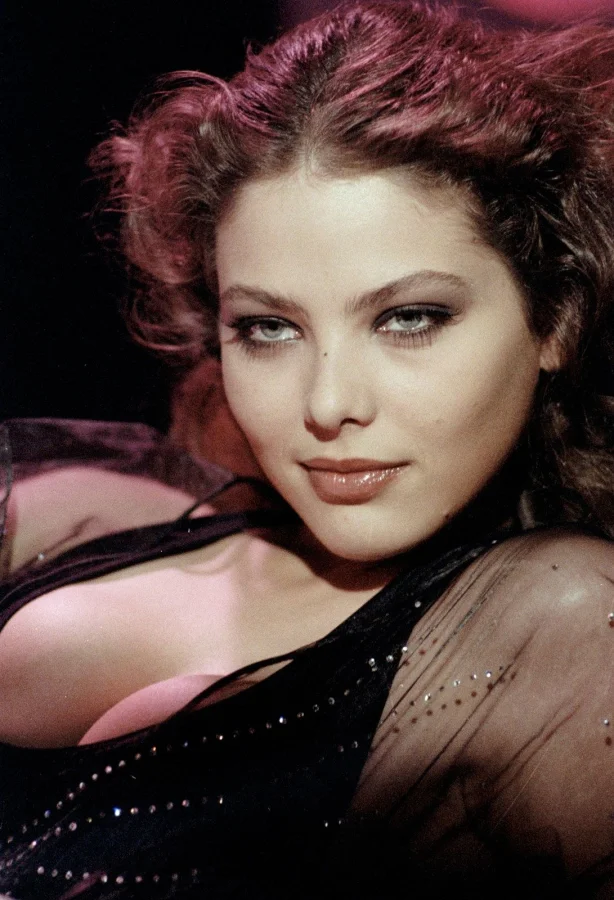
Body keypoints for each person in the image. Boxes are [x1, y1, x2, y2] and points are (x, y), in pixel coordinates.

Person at [0, 1, 613, 896]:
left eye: (409, 318)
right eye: (268, 328)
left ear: (554, 317)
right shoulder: (109, 505)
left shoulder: (566, 624)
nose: (327, 406)